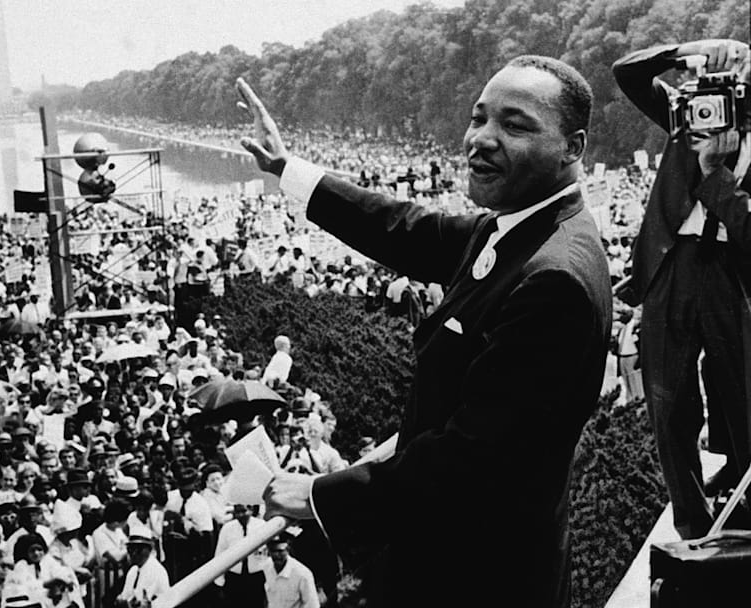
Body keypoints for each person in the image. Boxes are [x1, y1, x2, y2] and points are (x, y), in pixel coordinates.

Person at [239, 53, 612, 607]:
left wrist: (321, 495)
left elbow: (471, 458)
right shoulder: (517, 228)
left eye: (514, 125)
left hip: (479, 577)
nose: (482, 138)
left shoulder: (553, 278)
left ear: (572, 148)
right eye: (478, 117)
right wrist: (287, 168)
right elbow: (401, 228)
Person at [612, 38, 751, 539]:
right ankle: (692, 519)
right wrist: (688, 51)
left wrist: (714, 173)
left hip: (731, 271)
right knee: (669, 401)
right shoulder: (686, 111)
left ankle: (742, 495)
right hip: (670, 265)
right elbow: (627, 72)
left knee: (741, 392)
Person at [212, 505, 267, 608]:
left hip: (256, 578)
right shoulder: (227, 528)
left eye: (243, 511)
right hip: (234, 578)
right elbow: (219, 556)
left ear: (251, 510)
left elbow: (268, 555)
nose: (240, 515)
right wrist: (219, 582)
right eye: (237, 512)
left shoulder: (262, 526)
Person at [260, 535, 317, 608]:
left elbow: (312, 605)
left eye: (280, 551)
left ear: (288, 549)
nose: (276, 555)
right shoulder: (266, 567)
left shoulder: (302, 574)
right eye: (273, 551)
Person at [116, 530, 168, 608]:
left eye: (138, 549)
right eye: (130, 549)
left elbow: (141, 603)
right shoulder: (133, 571)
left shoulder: (155, 570)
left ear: (149, 549)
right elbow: (125, 597)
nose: (133, 553)